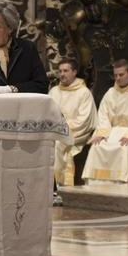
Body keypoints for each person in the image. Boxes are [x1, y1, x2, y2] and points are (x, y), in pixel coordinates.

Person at [81, 59, 128, 184]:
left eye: (121, 75)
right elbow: (103, 116)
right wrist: (102, 133)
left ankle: (120, 187)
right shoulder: (111, 93)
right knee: (96, 147)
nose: (117, 78)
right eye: (115, 75)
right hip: (111, 134)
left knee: (123, 149)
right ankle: (95, 189)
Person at [49, 58, 97, 187]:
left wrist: (62, 129)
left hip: (77, 133)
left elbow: (84, 120)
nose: (62, 74)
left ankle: (57, 184)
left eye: (66, 71)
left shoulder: (83, 93)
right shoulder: (54, 92)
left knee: (58, 143)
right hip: (56, 131)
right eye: (60, 71)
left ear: (74, 72)